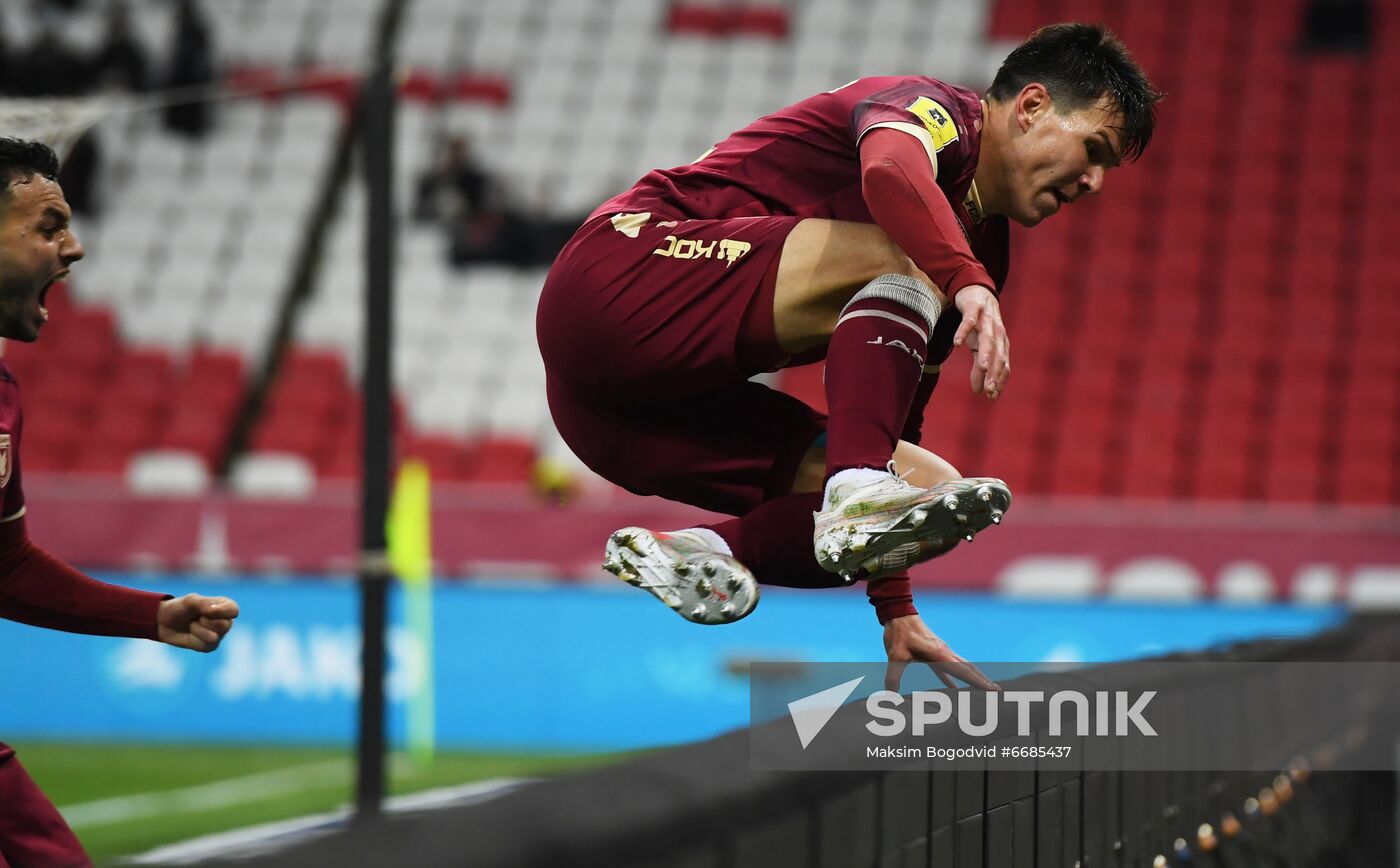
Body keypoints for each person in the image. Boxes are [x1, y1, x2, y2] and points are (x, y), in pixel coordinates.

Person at [536, 24, 1160, 687]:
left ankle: (704, 550)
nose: (1094, 182)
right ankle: (853, 493)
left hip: (618, 423)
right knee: (904, 258)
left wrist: (895, 607)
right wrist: (964, 278)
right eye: (1093, 149)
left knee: (931, 495)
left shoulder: (978, 251)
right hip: (617, 278)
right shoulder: (936, 114)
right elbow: (890, 170)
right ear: (1031, 107)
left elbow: (890, 424)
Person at [0, 138, 240, 867]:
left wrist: (150, 615)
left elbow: (3, 566)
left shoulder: (4, 394)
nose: (73, 249)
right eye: (48, 227)